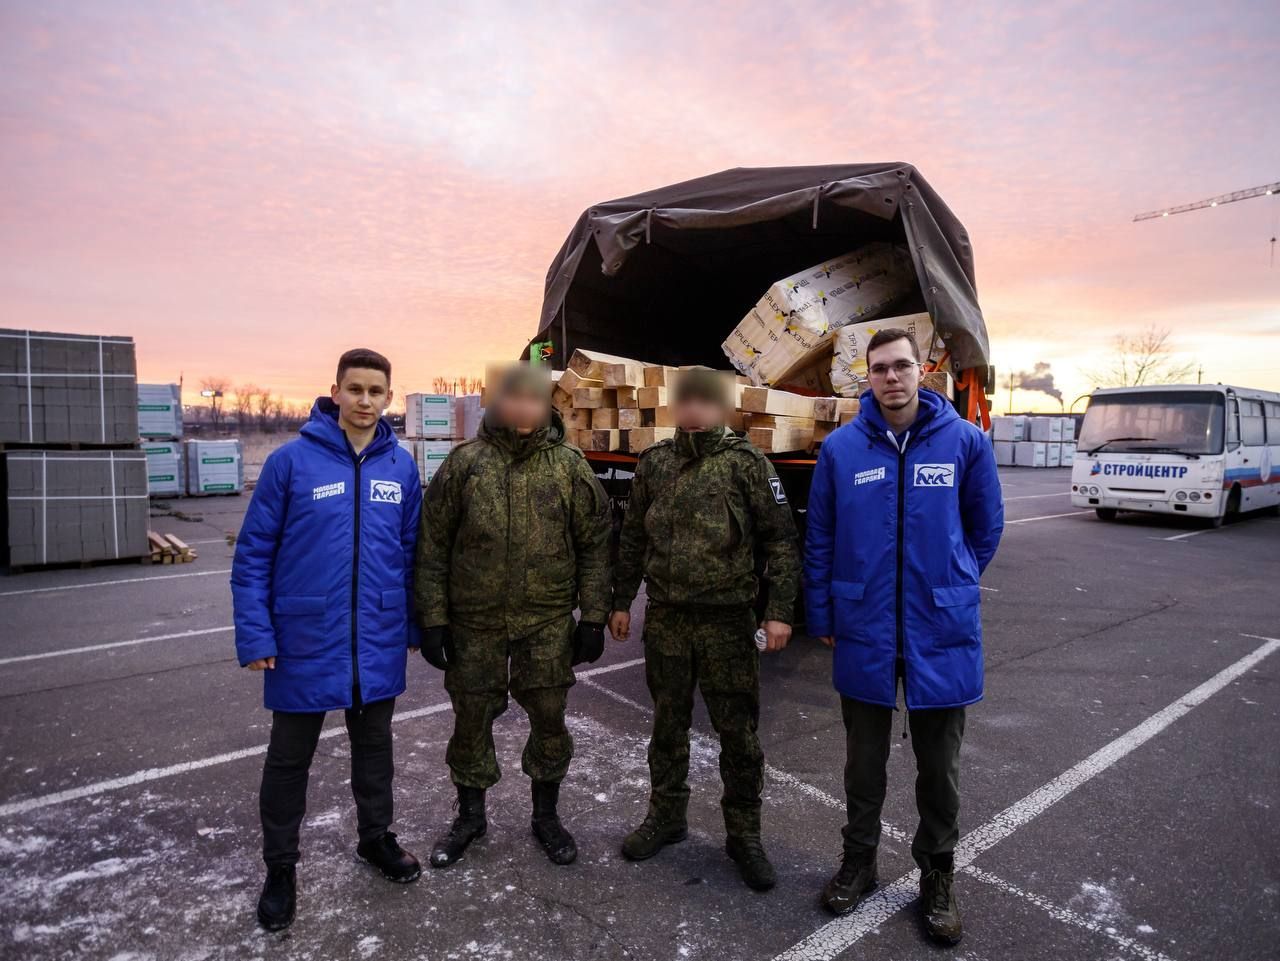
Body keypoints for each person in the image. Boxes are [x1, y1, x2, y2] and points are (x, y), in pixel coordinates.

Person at [803, 328, 1004, 944]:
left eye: (902, 366)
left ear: (922, 371)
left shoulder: (965, 442)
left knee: (939, 768)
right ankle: (859, 861)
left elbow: (985, 528)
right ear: (867, 378)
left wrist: (952, 578)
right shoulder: (841, 450)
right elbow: (821, 537)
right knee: (863, 764)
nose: (891, 377)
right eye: (880, 369)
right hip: (863, 624)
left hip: (939, 626)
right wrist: (823, 614)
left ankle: (937, 876)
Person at [232, 348, 423, 933]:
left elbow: (411, 555)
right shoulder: (290, 463)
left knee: (375, 751)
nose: (365, 401)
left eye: (376, 391)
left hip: (377, 638)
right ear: (334, 392)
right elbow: (253, 556)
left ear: (388, 398)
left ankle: (375, 838)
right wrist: (256, 633)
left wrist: (414, 627)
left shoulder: (401, 468)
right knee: (289, 760)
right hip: (304, 638)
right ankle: (280, 868)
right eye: (355, 389)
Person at [609, 368, 799, 892]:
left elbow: (781, 541)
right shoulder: (655, 463)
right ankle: (666, 817)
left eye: (705, 400)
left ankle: (744, 835)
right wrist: (621, 601)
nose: (694, 409)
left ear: (722, 407)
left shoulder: (747, 464)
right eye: (686, 400)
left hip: (727, 622)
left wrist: (779, 611)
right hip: (667, 618)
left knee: (738, 734)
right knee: (667, 727)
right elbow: (631, 537)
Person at [414, 365, 611, 869]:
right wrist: (433, 619)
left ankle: (546, 816)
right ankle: (470, 817)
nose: (524, 408)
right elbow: (432, 546)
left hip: (545, 622)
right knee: (471, 719)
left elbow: (594, 547)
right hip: (474, 623)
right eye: (514, 398)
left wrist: (593, 618)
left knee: (549, 718)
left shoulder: (569, 467)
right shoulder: (464, 465)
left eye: (534, 399)